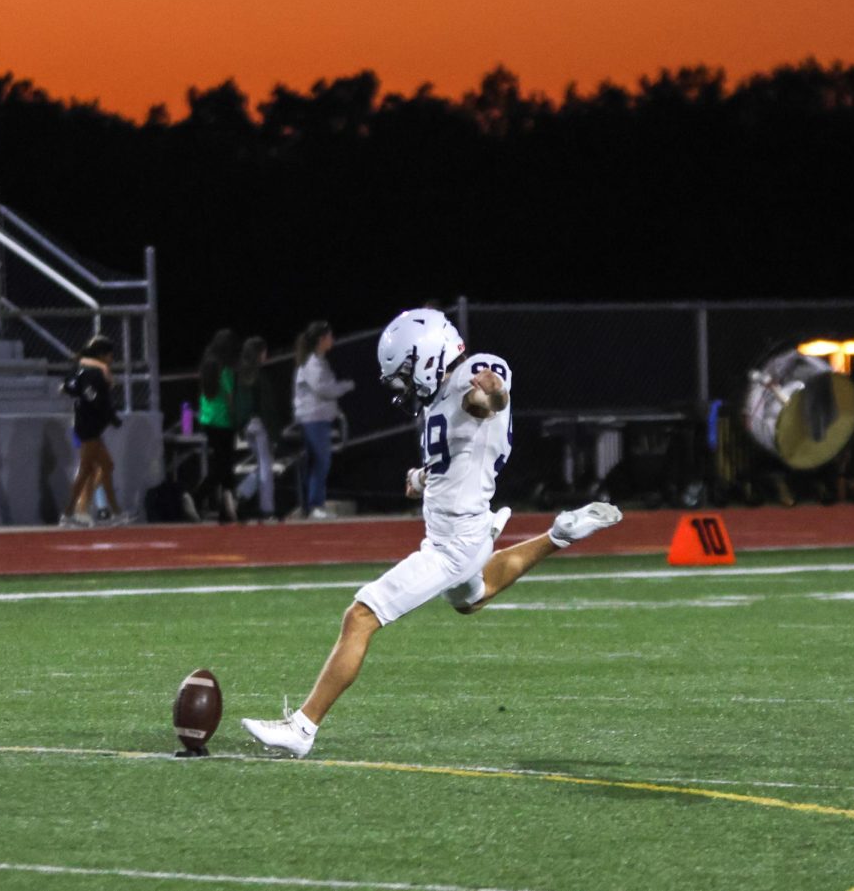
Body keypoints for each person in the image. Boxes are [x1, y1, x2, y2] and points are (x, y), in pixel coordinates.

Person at [242, 308, 623, 757]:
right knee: (472, 597)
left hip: (453, 543)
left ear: (427, 356)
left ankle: (302, 728)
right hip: (467, 530)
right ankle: (559, 534)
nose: (404, 385)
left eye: (405, 372)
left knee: (360, 616)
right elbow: (458, 453)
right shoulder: (441, 395)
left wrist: (494, 392)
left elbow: (488, 401)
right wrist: (422, 478)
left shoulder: (474, 376)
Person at [59, 335, 123, 527]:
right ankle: (74, 511)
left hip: (83, 425)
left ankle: (111, 512)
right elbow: (94, 399)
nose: (112, 359)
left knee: (104, 466)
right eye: (110, 354)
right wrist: (111, 416)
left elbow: (67, 388)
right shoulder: (94, 372)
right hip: (88, 427)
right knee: (88, 469)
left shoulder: (81, 368)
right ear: (102, 354)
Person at [293, 320, 355, 519]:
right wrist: (346, 386)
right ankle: (314, 506)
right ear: (322, 339)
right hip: (314, 419)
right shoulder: (312, 363)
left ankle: (313, 505)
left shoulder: (319, 361)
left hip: (318, 418)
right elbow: (324, 389)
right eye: (329, 336)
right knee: (321, 462)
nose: (332, 340)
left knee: (318, 463)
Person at [191, 328, 241, 524]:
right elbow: (229, 398)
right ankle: (197, 496)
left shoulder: (206, 367)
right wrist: (236, 418)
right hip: (224, 422)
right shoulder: (225, 369)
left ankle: (226, 510)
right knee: (223, 466)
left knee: (223, 465)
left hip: (208, 420)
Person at [234, 336, 283, 523]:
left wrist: (240, 426)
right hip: (260, 425)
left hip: (247, 426)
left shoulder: (240, 375)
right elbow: (267, 408)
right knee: (266, 467)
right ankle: (267, 508)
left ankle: (243, 491)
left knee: (264, 465)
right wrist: (275, 434)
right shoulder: (259, 377)